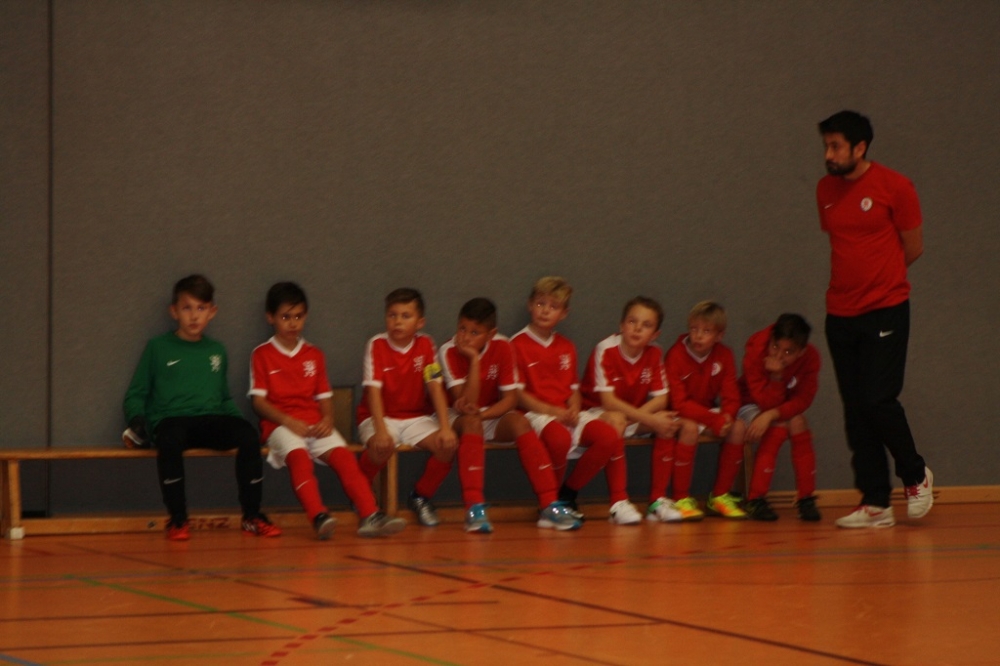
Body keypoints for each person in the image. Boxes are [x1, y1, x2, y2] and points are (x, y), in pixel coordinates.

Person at [817, 110, 933, 528]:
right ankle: (875, 502)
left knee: (878, 399)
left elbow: (913, 247)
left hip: (886, 309)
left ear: (860, 147)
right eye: (826, 146)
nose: (828, 154)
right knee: (855, 409)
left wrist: (880, 282)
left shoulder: (896, 186)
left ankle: (915, 474)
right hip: (840, 314)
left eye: (836, 146)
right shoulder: (825, 189)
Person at [122, 275, 281, 541]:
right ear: (174, 312)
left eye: (201, 308)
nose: (194, 316)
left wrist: (241, 424)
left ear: (212, 312)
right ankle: (178, 519)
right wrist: (137, 420)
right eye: (187, 308)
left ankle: (252, 516)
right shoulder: (157, 347)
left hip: (210, 420)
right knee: (169, 439)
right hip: (172, 421)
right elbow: (136, 394)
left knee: (248, 436)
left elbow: (223, 398)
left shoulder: (217, 351)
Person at [248, 282, 406, 539]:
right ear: (270, 318)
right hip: (280, 426)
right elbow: (258, 403)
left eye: (298, 316)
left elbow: (324, 397)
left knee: (345, 459)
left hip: (315, 423)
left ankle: (370, 515)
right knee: (299, 459)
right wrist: (287, 421)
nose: (293, 323)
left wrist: (328, 419)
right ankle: (318, 515)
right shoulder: (261, 354)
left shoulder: (314, 354)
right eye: (285, 317)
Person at [440, 298, 581, 531]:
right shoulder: (447, 350)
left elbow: (510, 400)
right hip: (457, 418)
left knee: (519, 421)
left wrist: (484, 416)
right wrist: (474, 360)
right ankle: (474, 508)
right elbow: (466, 404)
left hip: (489, 414)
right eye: (462, 329)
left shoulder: (503, 346)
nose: (465, 337)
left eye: (474, 332)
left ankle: (549, 504)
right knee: (472, 423)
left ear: (491, 334)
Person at [511, 277, 643, 525]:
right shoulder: (516, 344)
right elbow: (518, 395)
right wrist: (553, 411)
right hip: (536, 414)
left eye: (553, 306)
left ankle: (567, 494)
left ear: (564, 313)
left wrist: (573, 408)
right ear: (530, 305)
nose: (545, 311)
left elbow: (573, 389)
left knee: (609, 436)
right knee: (559, 438)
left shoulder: (566, 346)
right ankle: (549, 506)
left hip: (566, 412)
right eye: (540, 304)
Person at [354, 288, 460, 530]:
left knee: (447, 446)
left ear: (419, 322)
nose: (397, 322)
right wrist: (381, 431)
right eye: (392, 315)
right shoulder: (376, 344)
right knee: (382, 446)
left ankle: (420, 496)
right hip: (378, 417)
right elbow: (373, 393)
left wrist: (446, 428)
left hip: (416, 418)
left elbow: (435, 387)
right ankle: (361, 492)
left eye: (405, 316)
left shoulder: (426, 344)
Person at [580, 296, 684, 522]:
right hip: (594, 414)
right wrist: (648, 419)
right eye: (632, 321)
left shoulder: (655, 352)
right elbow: (608, 402)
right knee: (618, 420)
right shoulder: (606, 349)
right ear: (621, 325)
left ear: (655, 334)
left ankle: (657, 500)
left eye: (646, 325)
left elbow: (662, 398)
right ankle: (618, 502)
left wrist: (649, 419)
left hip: (632, 414)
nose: (637, 329)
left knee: (667, 423)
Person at [662, 301, 746, 520]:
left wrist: (726, 417)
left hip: (706, 411)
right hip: (677, 414)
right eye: (694, 329)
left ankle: (720, 496)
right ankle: (681, 498)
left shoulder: (724, 355)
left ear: (719, 335)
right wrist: (714, 420)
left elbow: (731, 396)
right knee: (689, 428)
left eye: (706, 331)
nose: (698, 336)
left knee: (738, 428)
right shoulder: (675, 355)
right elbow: (679, 403)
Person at [738, 314, 822, 522]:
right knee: (779, 425)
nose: (778, 356)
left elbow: (803, 400)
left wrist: (772, 414)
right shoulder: (756, 350)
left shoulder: (811, 358)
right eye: (775, 347)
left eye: (788, 352)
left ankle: (806, 498)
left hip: (777, 409)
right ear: (770, 340)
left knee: (798, 422)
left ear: (801, 352)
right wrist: (776, 378)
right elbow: (764, 401)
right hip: (748, 403)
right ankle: (755, 499)